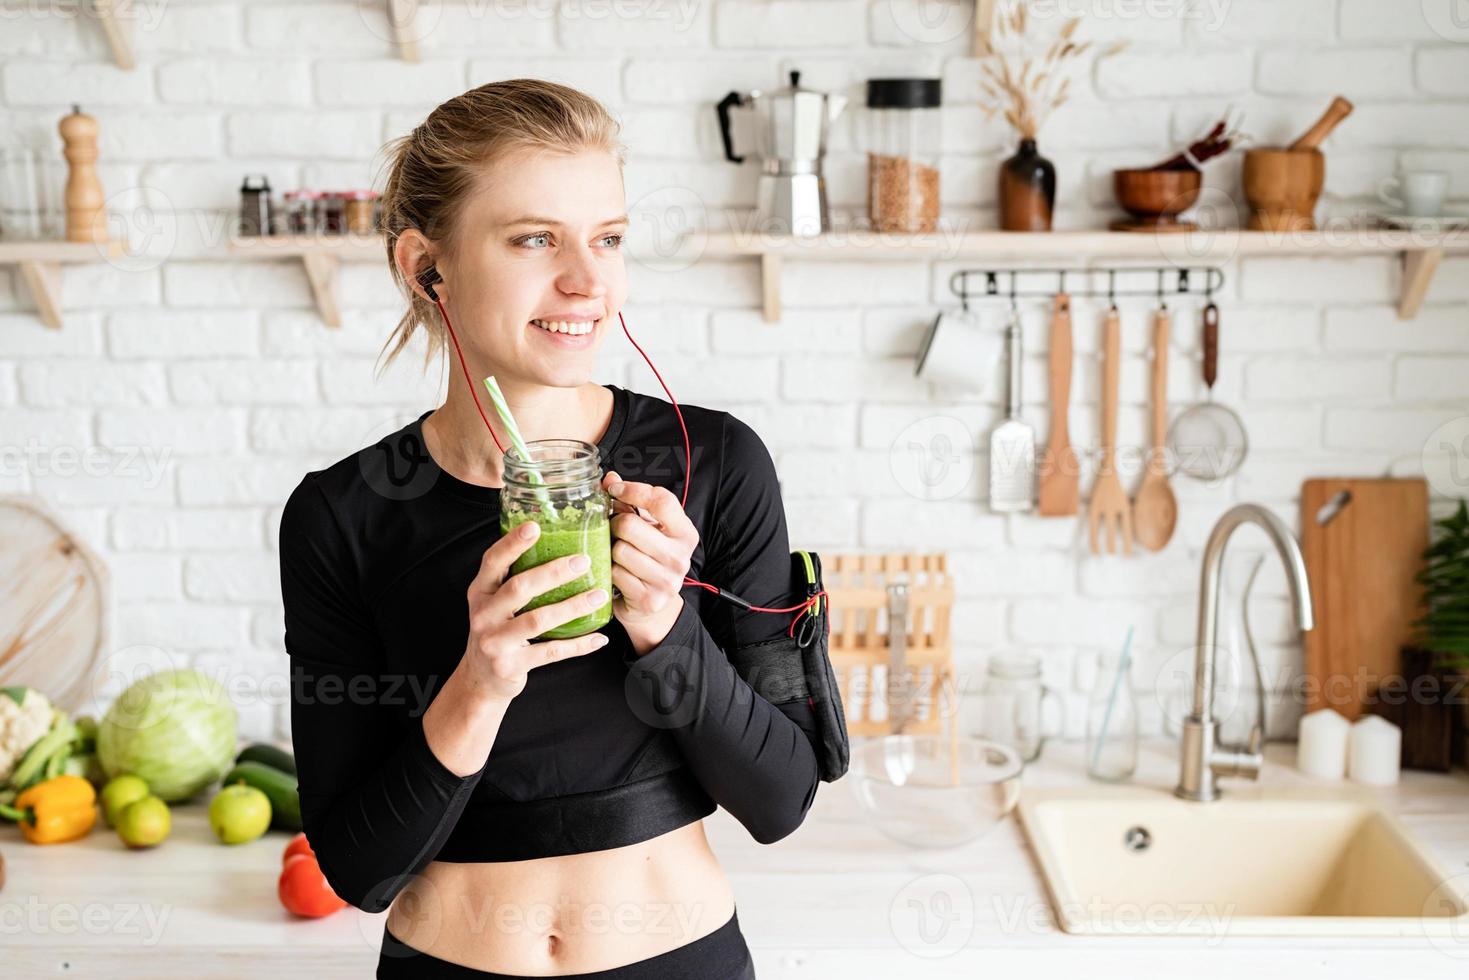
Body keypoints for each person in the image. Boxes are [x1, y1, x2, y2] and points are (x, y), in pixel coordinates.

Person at [278, 79, 821, 979]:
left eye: (608, 240)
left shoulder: (716, 464)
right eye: (535, 238)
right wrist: (479, 683)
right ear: (426, 265)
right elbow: (359, 870)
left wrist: (664, 625)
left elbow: (781, 798)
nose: (587, 281)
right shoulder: (345, 514)